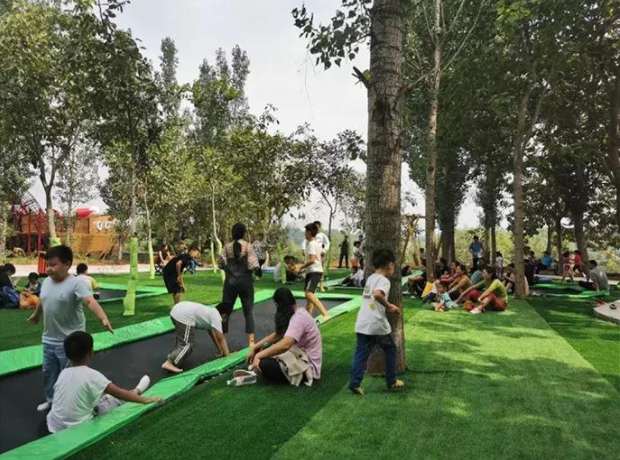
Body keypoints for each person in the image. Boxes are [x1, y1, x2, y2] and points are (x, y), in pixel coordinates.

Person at [27, 245, 113, 412]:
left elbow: (90, 301)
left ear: (67, 264)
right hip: (49, 338)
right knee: (48, 372)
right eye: (48, 265)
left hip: (69, 340)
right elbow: (43, 300)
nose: (49, 269)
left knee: (69, 376)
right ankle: (52, 401)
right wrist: (37, 314)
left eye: (53, 265)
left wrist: (102, 317)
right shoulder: (46, 282)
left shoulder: (75, 283)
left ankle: (68, 404)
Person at [47, 331, 161, 433]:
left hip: (54, 425)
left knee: (93, 396)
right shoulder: (92, 375)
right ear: (91, 352)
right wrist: (145, 400)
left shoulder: (63, 373)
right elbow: (119, 393)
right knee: (110, 401)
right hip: (78, 427)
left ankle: (105, 397)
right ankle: (136, 391)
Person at [349, 248, 404, 395]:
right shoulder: (384, 280)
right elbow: (378, 294)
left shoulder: (371, 278)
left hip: (362, 322)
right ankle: (391, 380)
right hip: (376, 324)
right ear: (390, 265)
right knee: (390, 348)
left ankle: (355, 383)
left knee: (361, 353)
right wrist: (390, 306)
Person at [246, 288, 322, 386]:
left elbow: (285, 345)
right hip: (299, 355)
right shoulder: (296, 312)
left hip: (308, 367)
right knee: (261, 351)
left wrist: (259, 356)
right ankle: (256, 366)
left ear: (278, 305)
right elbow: (278, 334)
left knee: (264, 363)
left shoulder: (298, 318)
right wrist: (255, 347)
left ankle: (257, 369)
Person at [218, 223, 259, 347]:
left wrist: (227, 269)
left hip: (230, 283)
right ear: (244, 233)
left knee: (225, 312)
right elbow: (253, 265)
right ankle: (251, 342)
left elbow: (220, 262)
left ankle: (222, 344)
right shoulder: (248, 246)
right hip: (245, 283)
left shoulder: (227, 247)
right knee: (248, 312)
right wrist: (256, 271)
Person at [162, 301, 230, 373]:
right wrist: (228, 356)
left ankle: (171, 356)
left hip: (175, 311)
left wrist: (220, 350)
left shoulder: (211, 312)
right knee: (189, 344)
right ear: (224, 315)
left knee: (182, 340)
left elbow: (213, 334)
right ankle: (169, 363)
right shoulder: (217, 317)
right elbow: (220, 338)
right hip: (183, 314)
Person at [298, 223, 331, 320]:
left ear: (309, 232)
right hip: (313, 271)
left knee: (309, 293)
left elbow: (312, 260)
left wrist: (301, 267)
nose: (304, 234)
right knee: (308, 294)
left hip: (314, 271)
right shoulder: (315, 243)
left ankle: (325, 314)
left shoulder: (312, 244)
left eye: (305, 232)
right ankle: (308, 317)